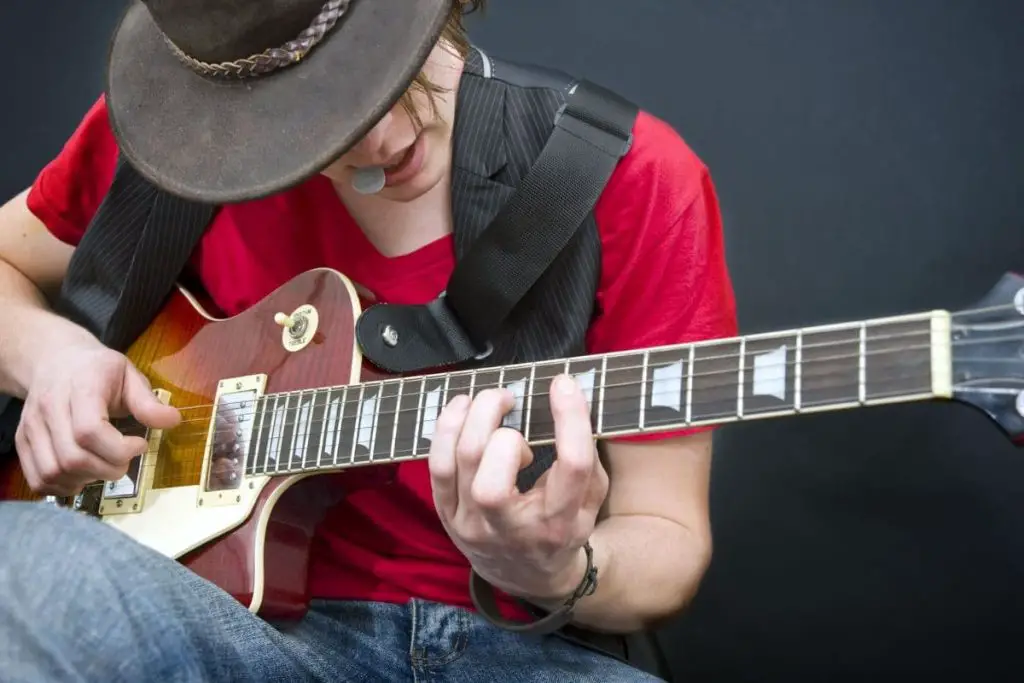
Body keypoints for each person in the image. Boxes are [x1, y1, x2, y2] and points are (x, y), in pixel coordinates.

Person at [0, 0, 737, 681]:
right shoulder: (180, 147)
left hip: (527, 653)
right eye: (310, 120)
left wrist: (558, 569)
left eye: (380, 74)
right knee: (26, 558)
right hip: (235, 635)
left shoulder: (631, 175)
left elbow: (666, 539)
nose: (381, 143)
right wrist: (52, 356)